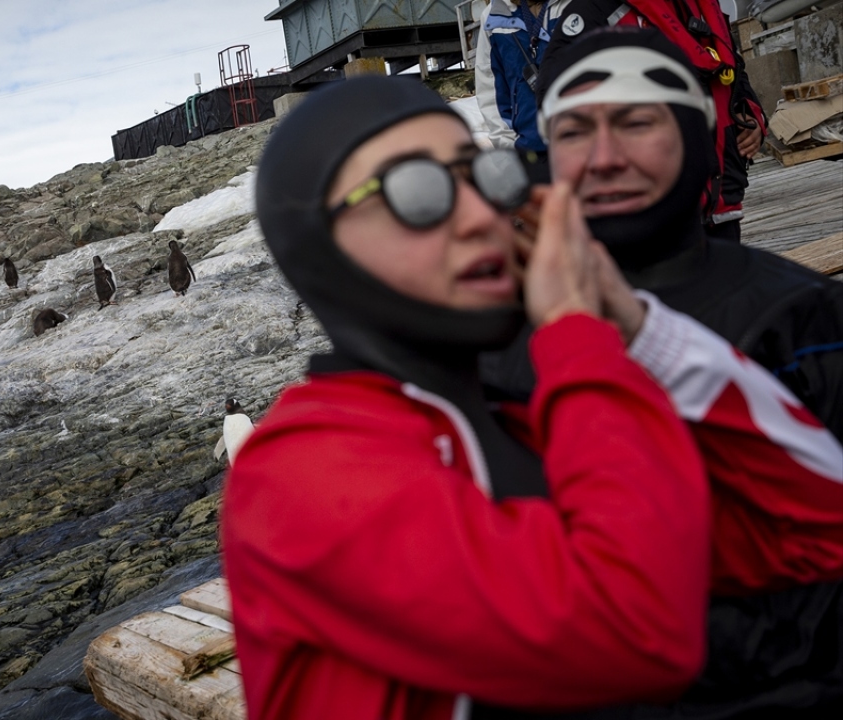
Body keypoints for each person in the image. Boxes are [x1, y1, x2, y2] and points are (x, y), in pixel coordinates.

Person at [224, 74, 716, 719]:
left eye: (484, 176)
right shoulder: (296, 476)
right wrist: (576, 332)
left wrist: (638, 330)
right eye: (417, 192)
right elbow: (638, 629)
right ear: (319, 247)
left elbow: (811, 531)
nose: (484, 216)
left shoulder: (517, 416)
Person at [483, 27, 843, 714]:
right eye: (575, 132)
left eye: (636, 122)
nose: (605, 158)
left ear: (694, 133)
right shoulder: (490, 347)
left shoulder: (805, 317)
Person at [544, 0, 766, 242]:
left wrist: (752, 114)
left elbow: (731, 64)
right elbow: (555, 95)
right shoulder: (597, 9)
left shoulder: (703, 4)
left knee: (727, 275)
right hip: (651, 214)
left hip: (722, 196)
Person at [475, 0, 573, 181]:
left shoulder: (580, 6)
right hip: (529, 155)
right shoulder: (494, 17)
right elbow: (490, 89)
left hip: (584, 149)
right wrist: (508, 157)